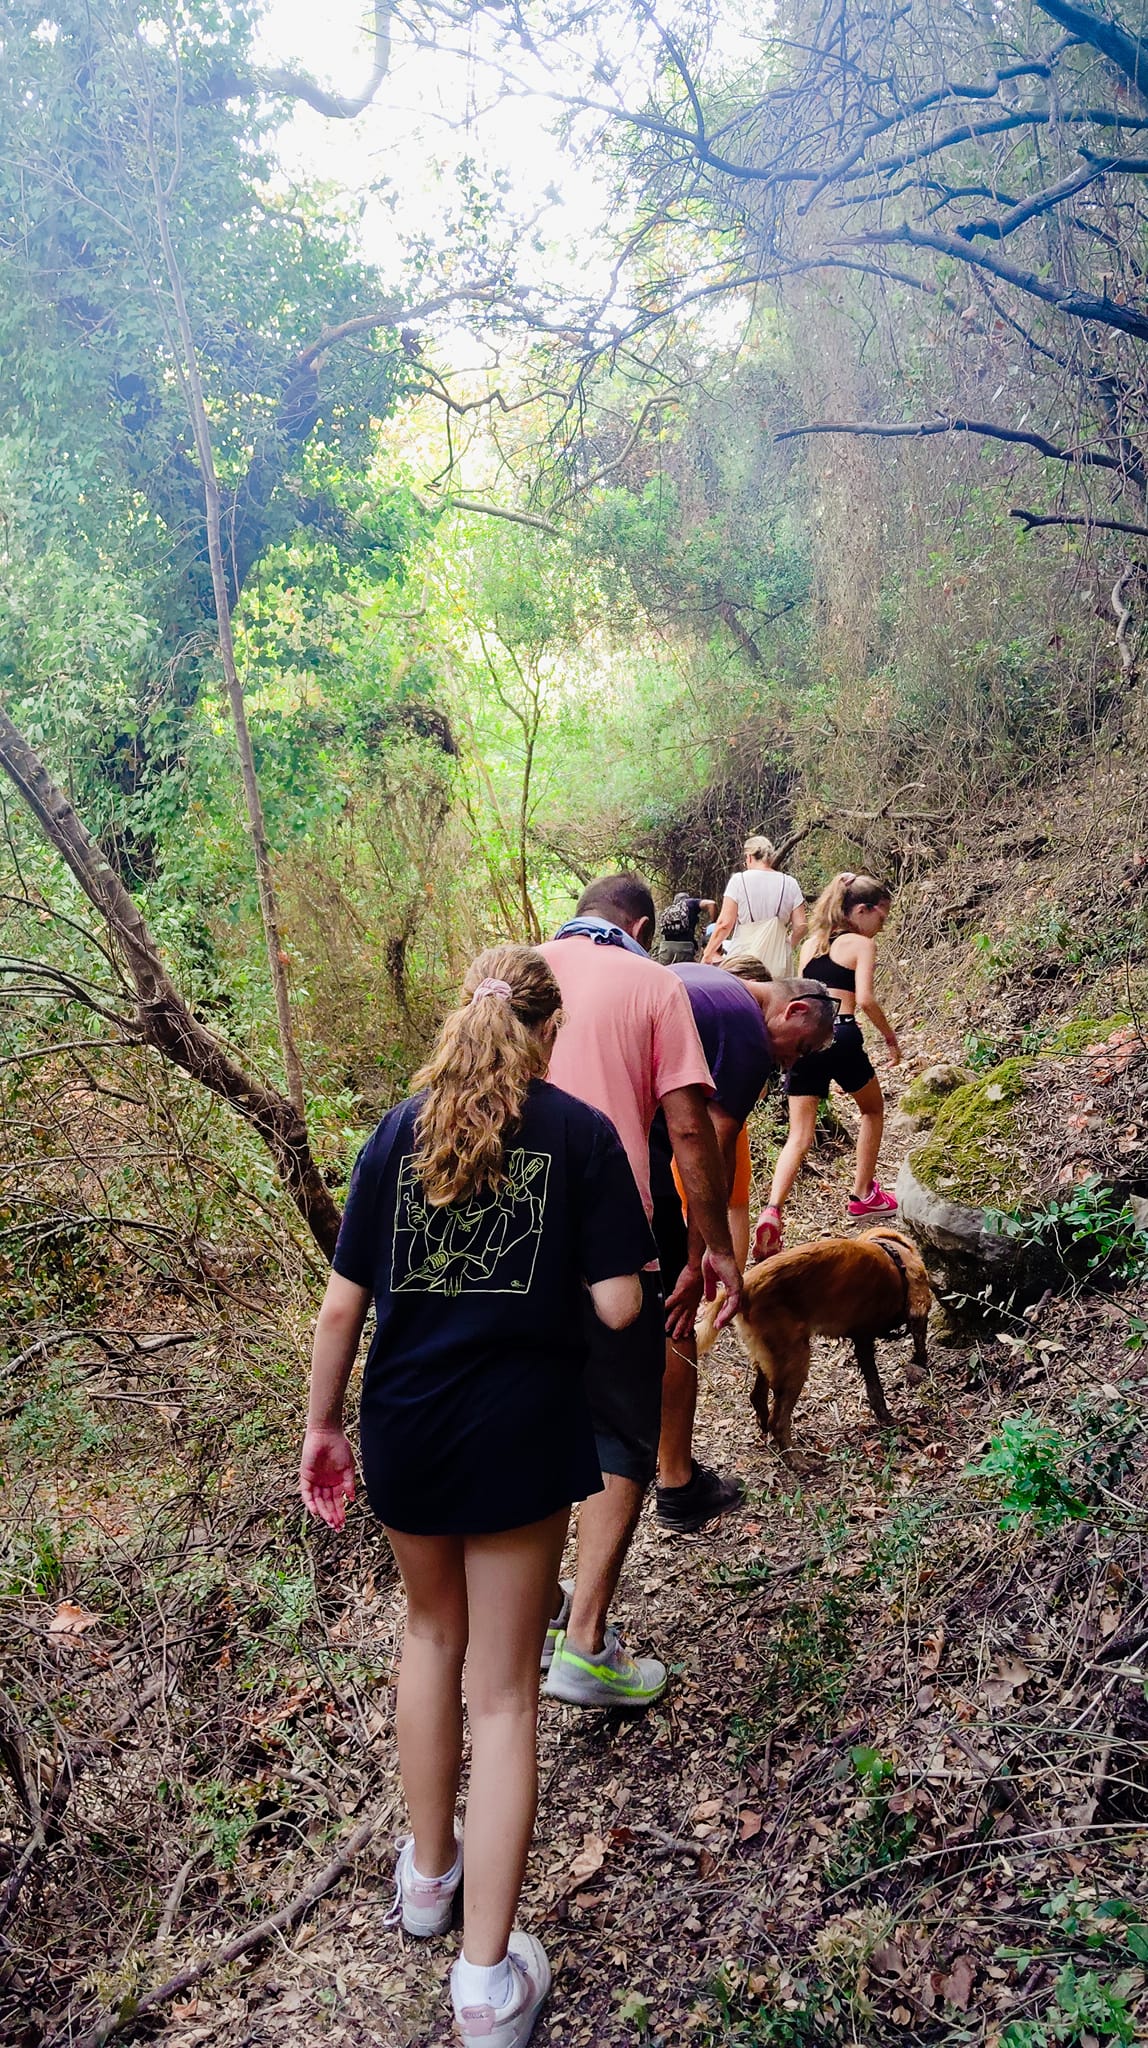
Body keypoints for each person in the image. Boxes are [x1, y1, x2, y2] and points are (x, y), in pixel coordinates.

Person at [299, 945, 654, 2048]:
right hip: (517, 1432)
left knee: (427, 1636)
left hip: (405, 1425)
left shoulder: (396, 1133)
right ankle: (488, 1984)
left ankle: (427, 1879)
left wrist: (320, 1427)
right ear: (548, 1034)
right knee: (502, 1694)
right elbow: (616, 1306)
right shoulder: (580, 1135)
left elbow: (341, 1306)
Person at [537, 873, 743, 1708]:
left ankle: (537, 1607)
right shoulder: (653, 983)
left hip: (504, 1238)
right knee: (619, 1427)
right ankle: (585, 1644)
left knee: (535, 1412)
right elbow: (690, 1127)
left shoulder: (513, 973)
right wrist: (715, 1248)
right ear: (645, 926)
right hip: (609, 1233)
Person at [652, 962, 837, 1533]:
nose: (793, 1065)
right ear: (794, 1010)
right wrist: (702, 1255)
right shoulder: (748, 1036)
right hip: (632, 1157)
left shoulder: (705, 981)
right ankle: (675, 1482)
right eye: (801, 1049)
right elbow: (709, 1142)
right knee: (676, 1315)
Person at [752, 873, 902, 1258]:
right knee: (872, 1109)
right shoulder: (861, 944)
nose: (881, 925)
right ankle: (863, 1194)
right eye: (881, 916)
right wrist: (889, 1036)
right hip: (843, 1032)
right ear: (862, 910)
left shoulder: (812, 945)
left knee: (798, 1134)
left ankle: (772, 1209)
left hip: (806, 1038)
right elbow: (865, 999)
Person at [701, 835, 806, 974]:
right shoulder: (790, 883)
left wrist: (707, 954)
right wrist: (787, 945)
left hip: (744, 959)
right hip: (778, 961)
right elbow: (801, 926)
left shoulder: (739, 881)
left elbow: (724, 924)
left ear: (749, 857)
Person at [654, 889, 717, 966]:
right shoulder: (690, 903)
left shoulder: (669, 910)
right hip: (684, 948)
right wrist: (713, 924)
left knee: (666, 972)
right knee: (685, 972)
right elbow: (711, 904)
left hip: (666, 948)